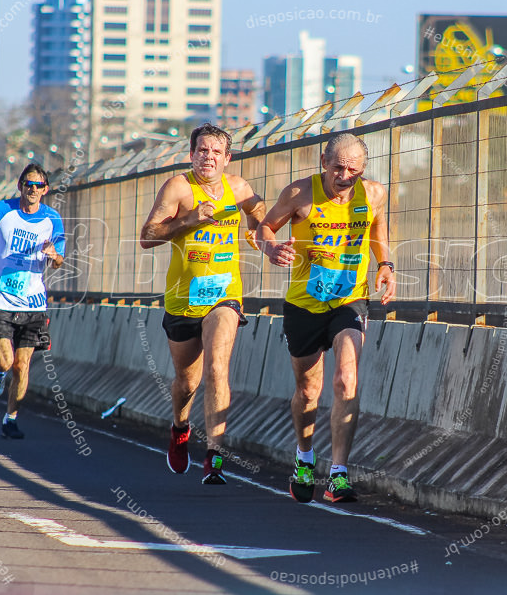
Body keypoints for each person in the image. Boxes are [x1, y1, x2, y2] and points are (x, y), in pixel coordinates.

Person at [256, 133, 396, 503]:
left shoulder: (374, 194)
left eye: (353, 170)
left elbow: (378, 227)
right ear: (323, 162)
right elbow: (264, 227)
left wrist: (385, 264)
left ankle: (338, 475)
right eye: (338, 168)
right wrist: (271, 247)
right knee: (307, 391)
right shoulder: (299, 193)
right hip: (304, 304)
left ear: (363, 170)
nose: (345, 176)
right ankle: (304, 459)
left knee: (346, 379)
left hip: (350, 301)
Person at [139, 123, 265, 485]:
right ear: (191, 154)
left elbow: (262, 217)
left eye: (215, 151)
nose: (207, 156)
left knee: (217, 368)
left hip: (224, 295)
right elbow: (147, 236)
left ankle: (214, 456)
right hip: (183, 298)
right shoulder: (179, 187)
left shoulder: (238, 188)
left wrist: (259, 232)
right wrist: (189, 219)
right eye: (201, 150)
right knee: (186, 381)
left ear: (227, 158)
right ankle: (180, 427)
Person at [0, 164, 65, 439]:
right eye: (28, 184)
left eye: (38, 185)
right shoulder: (1, 210)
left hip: (33, 305)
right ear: (19, 186)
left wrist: (53, 255)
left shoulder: (53, 220)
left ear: (45, 190)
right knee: (6, 361)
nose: (32, 189)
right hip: (0, 301)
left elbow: (59, 262)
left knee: (22, 365)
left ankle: (10, 418)